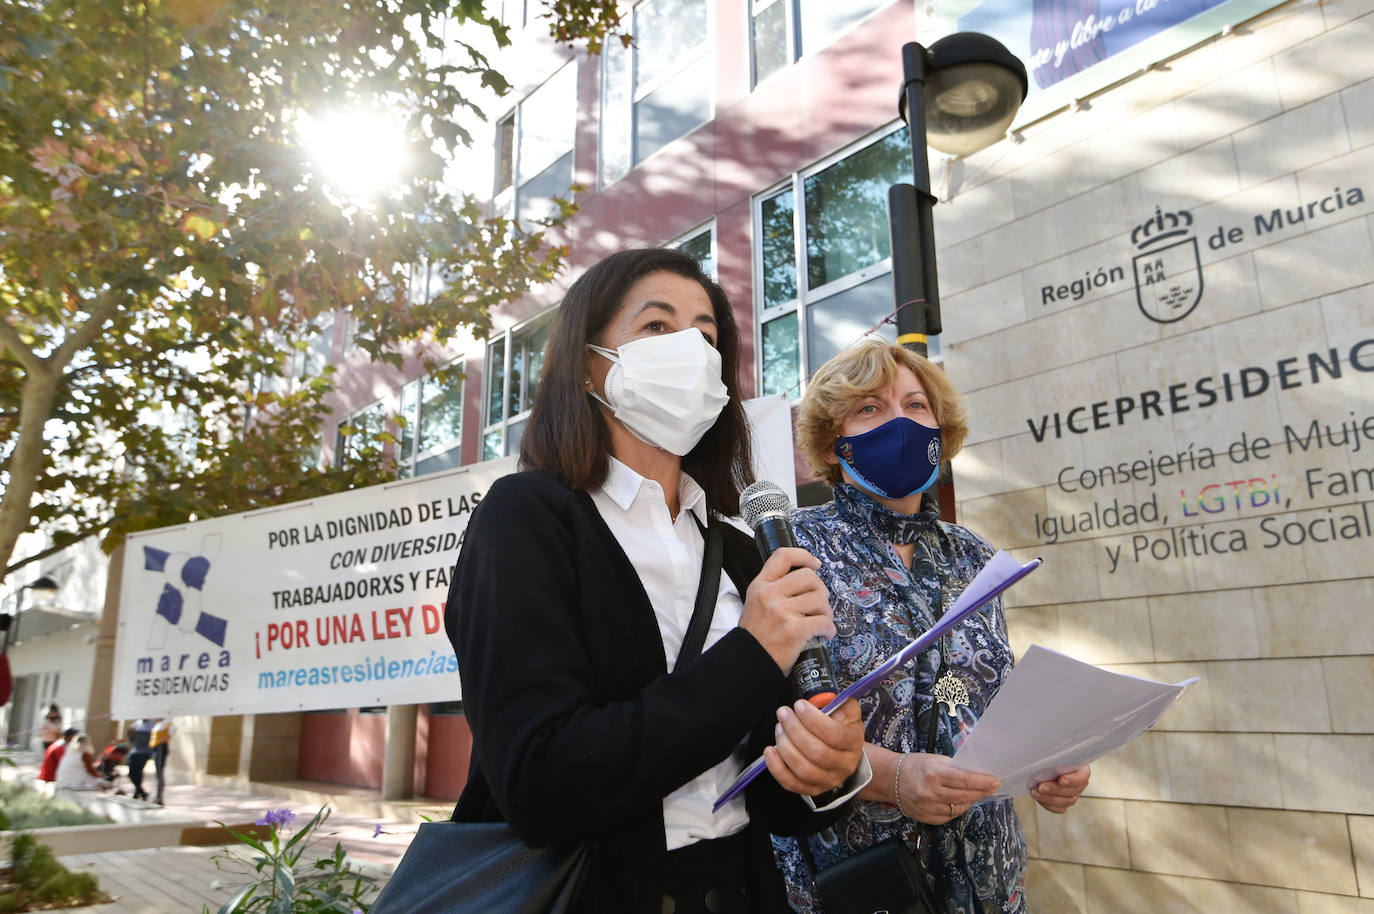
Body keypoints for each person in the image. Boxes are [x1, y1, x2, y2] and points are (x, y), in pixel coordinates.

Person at [446, 247, 870, 914]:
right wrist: (753, 652)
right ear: (589, 364)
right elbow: (541, 783)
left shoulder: (736, 549)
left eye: (706, 336)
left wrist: (826, 767)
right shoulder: (526, 519)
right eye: (656, 327)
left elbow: (767, 798)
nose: (692, 351)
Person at [770, 338, 1091, 914]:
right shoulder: (790, 546)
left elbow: (989, 698)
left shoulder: (973, 556)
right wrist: (892, 778)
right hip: (862, 882)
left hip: (989, 881)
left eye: (916, 406)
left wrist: (1050, 760)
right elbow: (778, 728)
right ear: (830, 439)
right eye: (869, 408)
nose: (899, 422)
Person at [37, 727, 78, 794]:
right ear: (69, 737)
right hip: (52, 776)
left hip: (50, 775)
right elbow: (63, 762)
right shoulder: (59, 747)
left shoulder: (59, 744)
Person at [148, 714, 176, 805]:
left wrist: (163, 740)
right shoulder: (158, 724)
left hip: (160, 748)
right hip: (156, 749)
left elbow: (174, 728)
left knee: (159, 772)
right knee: (157, 773)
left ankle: (159, 796)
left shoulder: (166, 722)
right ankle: (157, 795)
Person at [126, 718, 155, 801]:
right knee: (131, 773)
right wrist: (130, 734)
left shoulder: (151, 725)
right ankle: (141, 791)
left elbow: (148, 741)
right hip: (134, 751)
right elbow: (131, 739)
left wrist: (137, 734)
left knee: (138, 771)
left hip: (144, 752)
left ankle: (138, 792)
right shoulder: (136, 723)